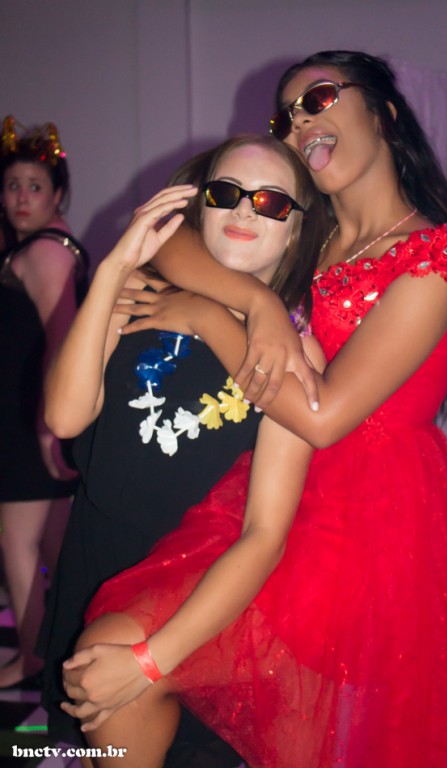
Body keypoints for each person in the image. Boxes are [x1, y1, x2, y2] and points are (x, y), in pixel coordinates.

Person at [61, 52, 447, 768]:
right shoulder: (312, 229)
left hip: (366, 524)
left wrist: (211, 319)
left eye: (319, 98)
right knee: (114, 658)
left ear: (385, 114)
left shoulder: (434, 259)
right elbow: (178, 237)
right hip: (269, 482)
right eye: (288, 115)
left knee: (299, 735)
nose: (300, 121)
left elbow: (325, 417)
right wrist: (257, 301)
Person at [39, 134, 327, 763]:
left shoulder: (295, 353)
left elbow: (265, 534)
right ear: (200, 207)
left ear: (297, 231)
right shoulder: (136, 294)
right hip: (95, 563)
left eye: (271, 202)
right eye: (226, 193)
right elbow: (64, 415)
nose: (245, 209)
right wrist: (113, 269)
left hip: (201, 605)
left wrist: (150, 658)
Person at [0, 117, 88, 689]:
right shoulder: (51, 245)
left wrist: (45, 425)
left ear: (58, 194)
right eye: (12, 185)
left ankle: (31, 659)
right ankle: (63, 650)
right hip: (36, 414)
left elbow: (62, 338)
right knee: (56, 544)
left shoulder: (45, 252)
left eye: (35, 186)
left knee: (18, 540)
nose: (21, 197)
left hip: (31, 419)